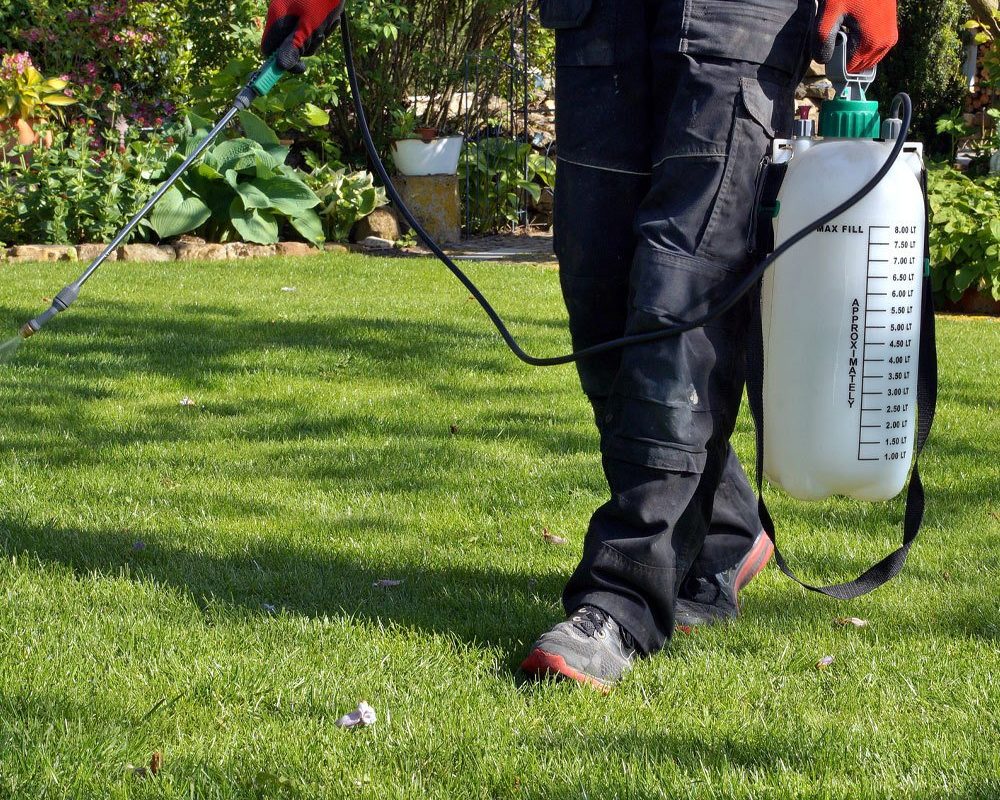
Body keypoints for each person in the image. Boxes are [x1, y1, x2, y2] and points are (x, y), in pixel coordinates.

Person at [261, 0, 898, 691]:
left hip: (735, 20)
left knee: (679, 284)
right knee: (599, 293)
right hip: (599, 19)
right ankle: (724, 527)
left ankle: (623, 596)